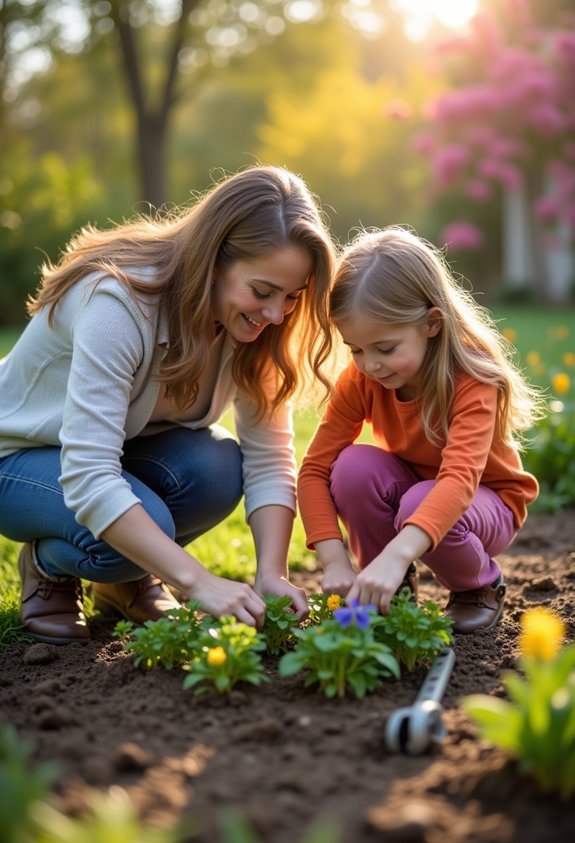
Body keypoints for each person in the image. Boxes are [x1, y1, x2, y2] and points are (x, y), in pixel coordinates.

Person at [0, 164, 336, 645]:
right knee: (146, 521)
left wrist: (272, 574)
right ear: (212, 261)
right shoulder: (118, 303)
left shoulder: (258, 330)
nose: (276, 314)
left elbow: (269, 459)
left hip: (103, 458)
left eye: (291, 297)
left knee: (218, 466)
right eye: (262, 291)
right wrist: (197, 582)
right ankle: (50, 566)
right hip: (14, 458)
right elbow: (89, 475)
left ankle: (124, 581)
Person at [297, 226, 544, 634]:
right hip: (416, 494)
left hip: (484, 506)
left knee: (419, 500)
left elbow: (459, 481)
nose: (370, 365)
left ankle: (477, 587)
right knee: (352, 467)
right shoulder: (362, 381)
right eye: (356, 349)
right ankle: (389, 593)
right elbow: (314, 471)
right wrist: (333, 559)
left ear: (431, 323)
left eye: (385, 348)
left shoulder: (471, 379)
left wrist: (395, 555)